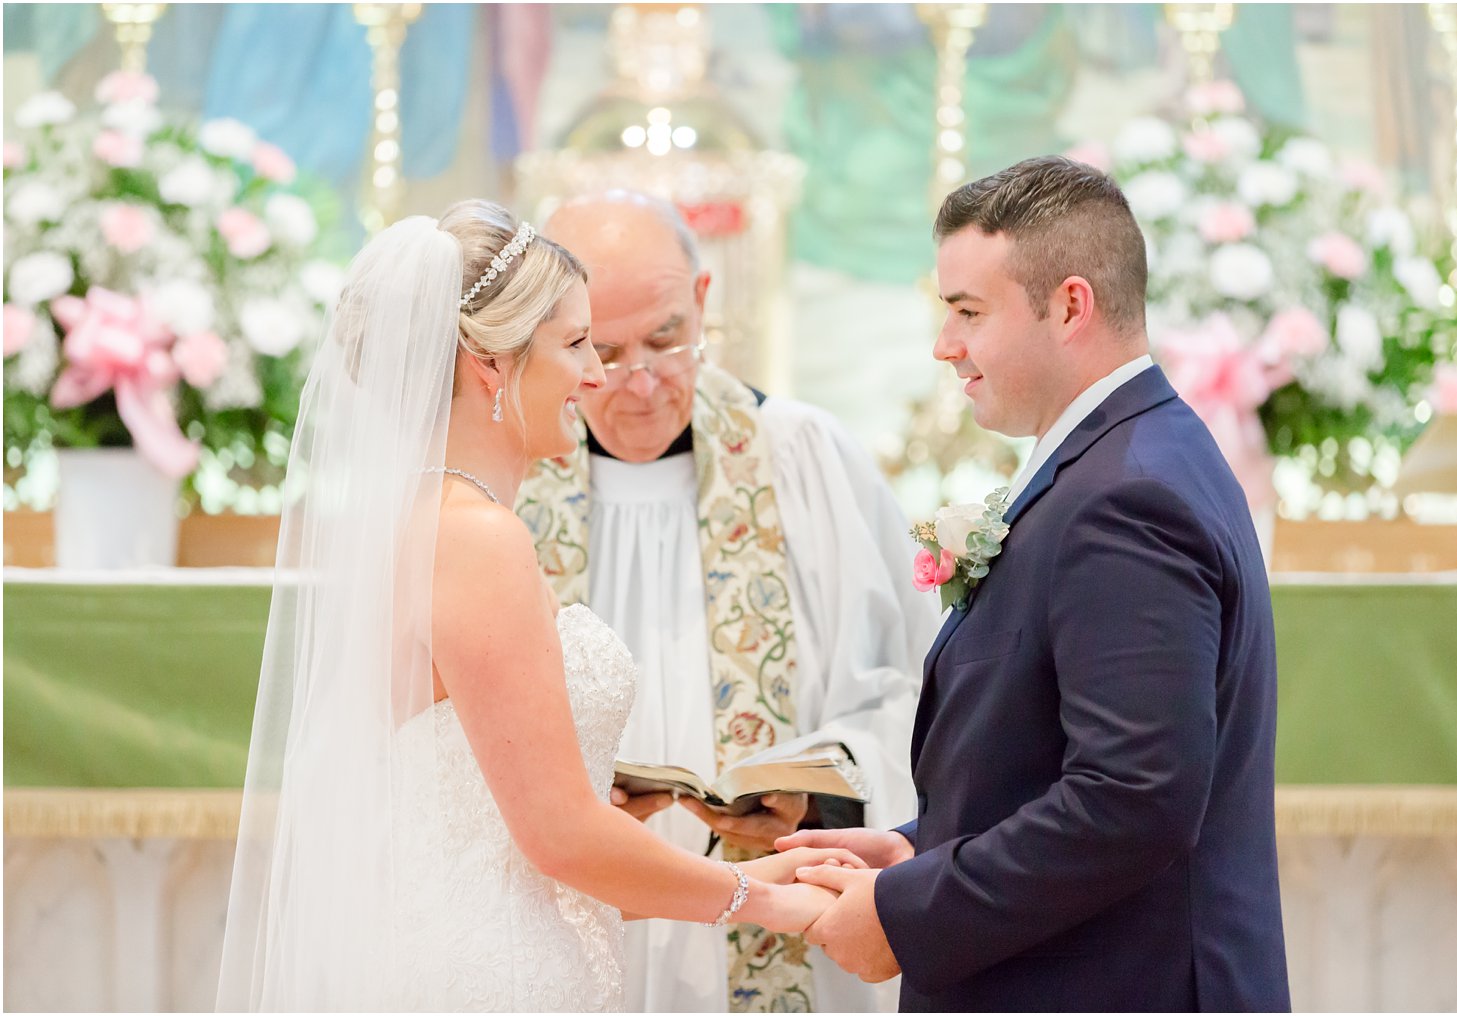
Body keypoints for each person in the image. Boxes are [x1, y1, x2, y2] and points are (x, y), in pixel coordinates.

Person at [215, 201, 865, 1012]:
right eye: (577, 343)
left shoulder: (422, 523)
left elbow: (487, 843)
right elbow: (558, 837)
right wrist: (764, 901)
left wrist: (754, 872)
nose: (597, 375)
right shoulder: (477, 538)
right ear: (489, 365)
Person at [784, 156, 1292, 1011]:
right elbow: (1044, 762)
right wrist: (917, 850)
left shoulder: (1127, 497)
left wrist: (909, 912)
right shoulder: (1128, 459)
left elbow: (1132, 800)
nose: (945, 345)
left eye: (968, 313)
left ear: (1069, 306)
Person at [519, 192, 939, 1013]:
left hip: (778, 917)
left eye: (667, 339)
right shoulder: (507, 485)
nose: (639, 382)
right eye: (601, 350)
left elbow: (919, 690)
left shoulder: (807, 458)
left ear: (705, 300)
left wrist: (818, 791)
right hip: (564, 919)